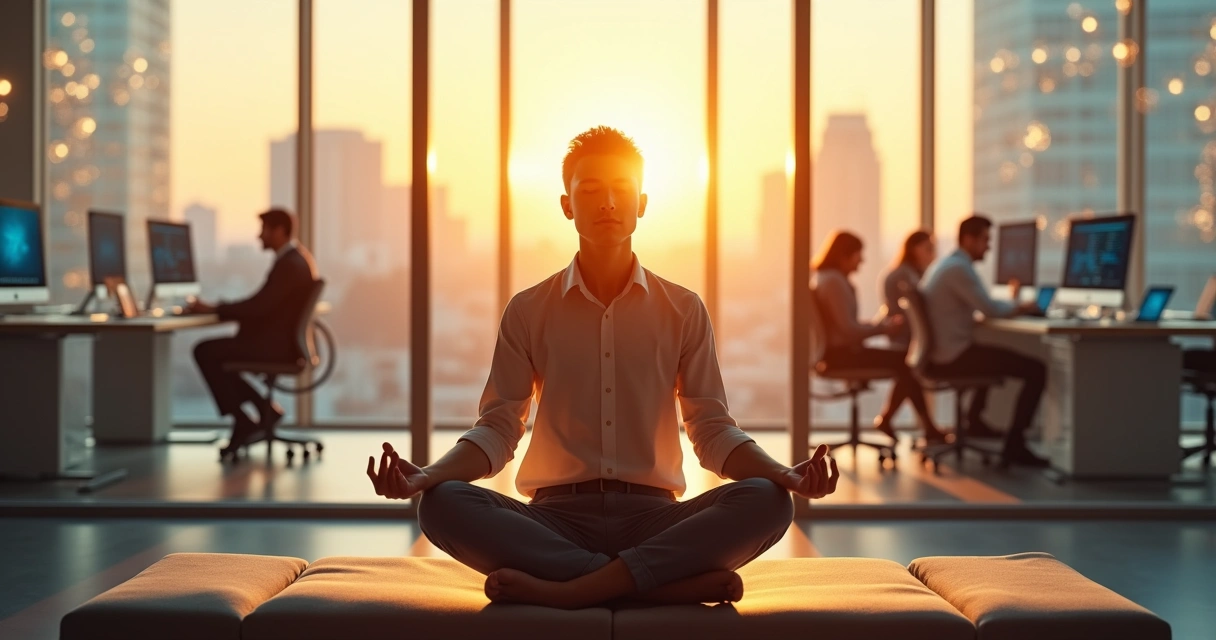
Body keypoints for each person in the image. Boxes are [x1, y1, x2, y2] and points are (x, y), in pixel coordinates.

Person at [367, 126, 839, 610]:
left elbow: (712, 430)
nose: (608, 203)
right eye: (590, 191)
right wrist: (426, 476)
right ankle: (656, 585)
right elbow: (498, 429)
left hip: (655, 517)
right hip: (554, 520)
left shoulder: (683, 309)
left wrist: (786, 475)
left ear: (643, 203)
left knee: (768, 499)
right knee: (443, 504)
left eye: (621, 191)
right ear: (567, 204)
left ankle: (574, 589)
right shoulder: (529, 309)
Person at [919, 214, 1049, 467]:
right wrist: (1024, 306)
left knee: (988, 353)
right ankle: (1015, 445)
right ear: (968, 239)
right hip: (952, 357)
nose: (989, 247)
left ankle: (976, 422)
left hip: (941, 354)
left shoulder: (945, 265)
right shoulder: (959, 269)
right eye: (985, 240)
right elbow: (991, 309)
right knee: (1036, 370)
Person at [188, 209, 319, 456]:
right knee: (216, 355)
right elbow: (264, 305)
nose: (259, 237)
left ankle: (245, 418)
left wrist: (214, 307)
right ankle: (261, 408)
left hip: (276, 348)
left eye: (264, 230)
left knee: (205, 351)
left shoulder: (289, 264)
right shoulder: (297, 259)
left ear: (279, 230)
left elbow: (259, 306)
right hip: (283, 344)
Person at [814, 231, 946, 445]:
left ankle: (902, 421)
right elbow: (848, 330)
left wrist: (878, 326)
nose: (862, 260)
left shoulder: (828, 279)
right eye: (858, 255)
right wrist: (882, 330)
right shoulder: (834, 282)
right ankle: (916, 425)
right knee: (907, 362)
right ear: (844, 255)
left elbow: (845, 326)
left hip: (840, 352)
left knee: (905, 361)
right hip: (843, 355)